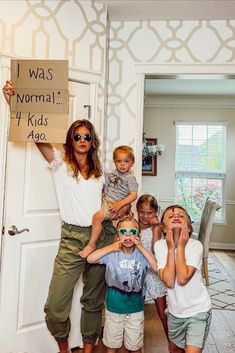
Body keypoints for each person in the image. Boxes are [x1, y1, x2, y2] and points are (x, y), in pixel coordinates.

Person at [2, 80, 128, 353]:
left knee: (93, 302)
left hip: (102, 235)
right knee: (55, 308)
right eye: (77, 136)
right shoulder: (59, 163)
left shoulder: (103, 170)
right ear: (70, 140)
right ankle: (63, 348)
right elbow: (36, 134)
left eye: (86, 136)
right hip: (72, 238)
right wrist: (13, 101)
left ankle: (87, 349)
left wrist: (122, 210)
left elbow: (122, 196)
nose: (82, 140)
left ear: (92, 141)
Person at [87, 215, 157, 353]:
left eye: (132, 232)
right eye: (123, 232)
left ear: (138, 235)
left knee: (135, 346)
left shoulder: (141, 255)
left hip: (135, 310)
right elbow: (90, 258)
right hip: (114, 309)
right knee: (112, 345)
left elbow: (156, 268)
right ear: (117, 235)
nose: (128, 236)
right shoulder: (112, 254)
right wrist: (111, 247)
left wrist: (141, 247)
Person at [155, 205, 212, 353]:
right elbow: (168, 281)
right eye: (171, 216)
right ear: (164, 228)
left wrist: (180, 247)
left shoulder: (196, 246)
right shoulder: (160, 246)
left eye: (181, 216)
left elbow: (182, 278)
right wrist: (170, 249)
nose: (176, 216)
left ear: (189, 226)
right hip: (175, 312)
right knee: (174, 349)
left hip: (198, 310)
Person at [79, 145, 138, 258]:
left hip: (113, 204)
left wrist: (120, 204)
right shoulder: (112, 174)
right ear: (114, 162)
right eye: (119, 161)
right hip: (106, 199)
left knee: (97, 217)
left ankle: (91, 244)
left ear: (132, 162)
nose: (122, 164)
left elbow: (133, 195)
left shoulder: (130, 178)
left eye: (126, 161)